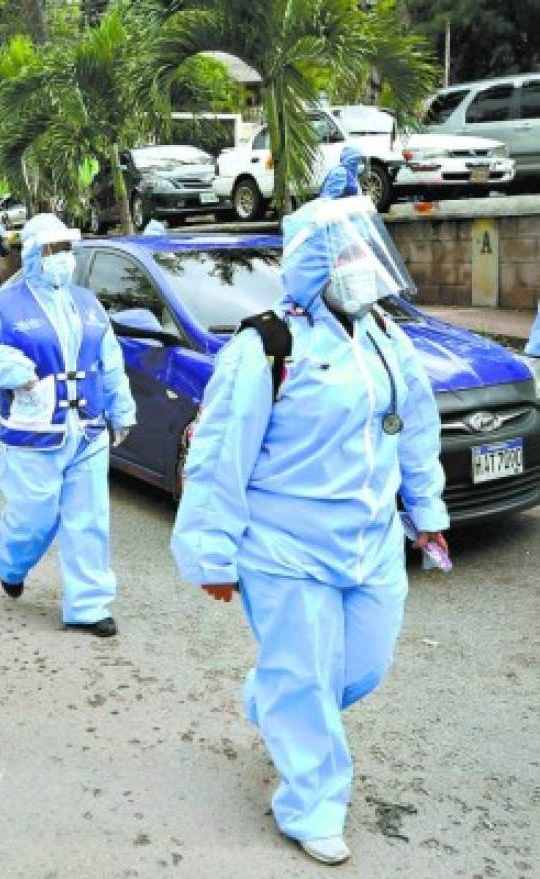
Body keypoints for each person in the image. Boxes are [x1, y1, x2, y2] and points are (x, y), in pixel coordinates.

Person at [170, 193, 448, 865]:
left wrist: (428, 513)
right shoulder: (267, 345)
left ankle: (278, 698)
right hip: (285, 550)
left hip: (371, 541)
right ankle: (311, 804)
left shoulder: (384, 335)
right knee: (304, 676)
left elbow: (412, 427)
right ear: (314, 264)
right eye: (344, 254)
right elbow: (220, 455)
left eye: (363, 250)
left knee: (362, 665)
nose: (359, 266)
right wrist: (212, 554)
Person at [0, 213, 136, 638]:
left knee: (89, 519)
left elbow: (109, 359)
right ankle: (11, 562)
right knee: (33, 516)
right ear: (35, 255)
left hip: (88, 429)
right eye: (53, 251)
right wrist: (17, 371)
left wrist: (121, 409)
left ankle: (89, 604)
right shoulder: (4, 304)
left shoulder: (88, 303)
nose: (63, 259)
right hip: (34, 432)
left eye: (66, 250)